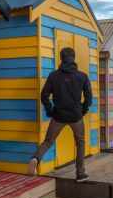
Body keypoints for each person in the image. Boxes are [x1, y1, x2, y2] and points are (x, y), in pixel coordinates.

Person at [27, 47, 92, 182]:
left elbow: (44, 95)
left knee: (48, 141)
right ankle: (80, 173)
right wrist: (83, 110)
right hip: (76, 116)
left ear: (61, 58)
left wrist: (50, 111)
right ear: (73, 58)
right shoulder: (82, 76)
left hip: (58, 116)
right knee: (80, 142)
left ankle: (35, 158)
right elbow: (88, 98)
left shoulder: (53, 76)